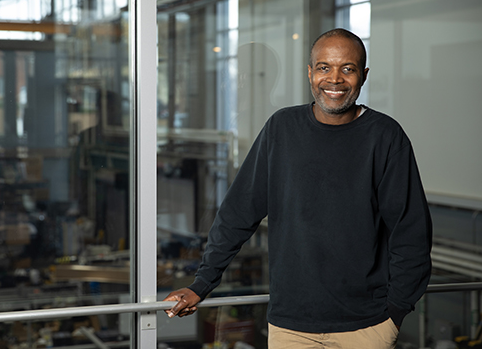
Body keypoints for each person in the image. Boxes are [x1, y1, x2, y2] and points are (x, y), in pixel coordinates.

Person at [162, 28, 432, 348]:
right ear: (309, 73)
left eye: (348, 68)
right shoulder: (281, 129)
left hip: (367, 326)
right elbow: (237, 213)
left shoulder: (386, 136)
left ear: (364, 75)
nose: (335, 79)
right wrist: (202, 283)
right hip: (291, 327)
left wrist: (395, 312)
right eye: (324, 67)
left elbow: (411, 232)